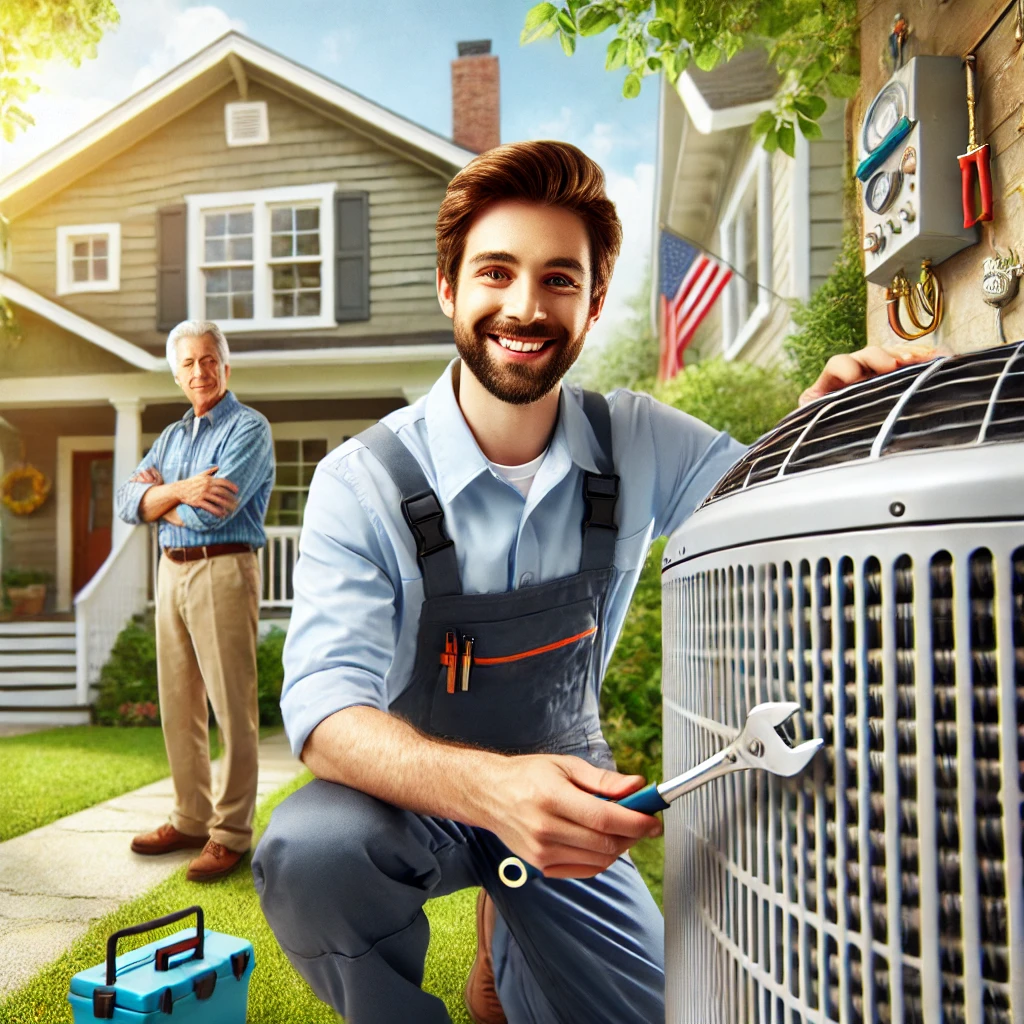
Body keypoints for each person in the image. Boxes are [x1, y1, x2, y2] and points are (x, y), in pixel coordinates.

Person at [252, 142, 934, 1023]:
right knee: (311, 850)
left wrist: (824, 422)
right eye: (496, 271)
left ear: (594, 302)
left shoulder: (639, 440)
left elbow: (769, 520)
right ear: (448, 289)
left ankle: (505, 954)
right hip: (401, 802)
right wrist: (494, 792)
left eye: (559, 279)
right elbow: (322, 710)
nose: (526, 306)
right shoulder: (363, 480)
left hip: (571, 802)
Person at [114, 320, 274, 883]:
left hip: (223, 569)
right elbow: (125, 499)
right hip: (171, 573)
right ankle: (189, 817)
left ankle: (230, 833)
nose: (200, 371)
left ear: (225, 368)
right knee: (178, 703)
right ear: (176, 373)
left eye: (209, 360)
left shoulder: (248, 429)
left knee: (232, 708)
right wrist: (179, 490)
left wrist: (158, 501)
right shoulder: (173, 436)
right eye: (188, 363)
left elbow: (216, 510)